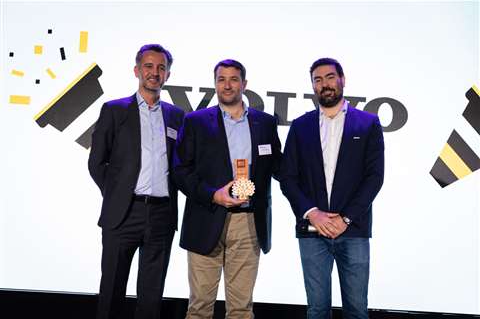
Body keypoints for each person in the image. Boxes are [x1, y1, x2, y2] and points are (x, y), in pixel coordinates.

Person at [174, 59, 281, 319]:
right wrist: (213, 195)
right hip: (206, 218)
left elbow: (278, 167)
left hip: (248, 223)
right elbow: (180, 171)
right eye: (221, 79)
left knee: (242, 309)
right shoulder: (195, 121)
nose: (227, 85)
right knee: (199, 307)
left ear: (244, 84)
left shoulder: (265, 123)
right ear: (215, 84)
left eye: (234, 79)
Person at [280, 58, 384, 319]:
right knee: (316, 310)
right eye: (317, 79)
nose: (324, 84)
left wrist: (345, 217)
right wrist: (312, 213)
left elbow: (374, 177)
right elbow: (288, 177)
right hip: (312, 231)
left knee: (357, 310)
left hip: (354, 229)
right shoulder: (300, 126)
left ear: (342, 79)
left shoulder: (367, 123)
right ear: (313, 86)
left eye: (329, 77)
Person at [88, 44, 184, 319]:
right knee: (112, 291)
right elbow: (96, 162)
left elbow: (182, 165)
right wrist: (118, 193)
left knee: (152, 296)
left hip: (162, 214)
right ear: (137, 70)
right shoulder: (114, 110)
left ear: (167, 74)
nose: (154, 72)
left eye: (161, 68)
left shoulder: (177, 116)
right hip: (124, 214)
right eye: (149, 66)